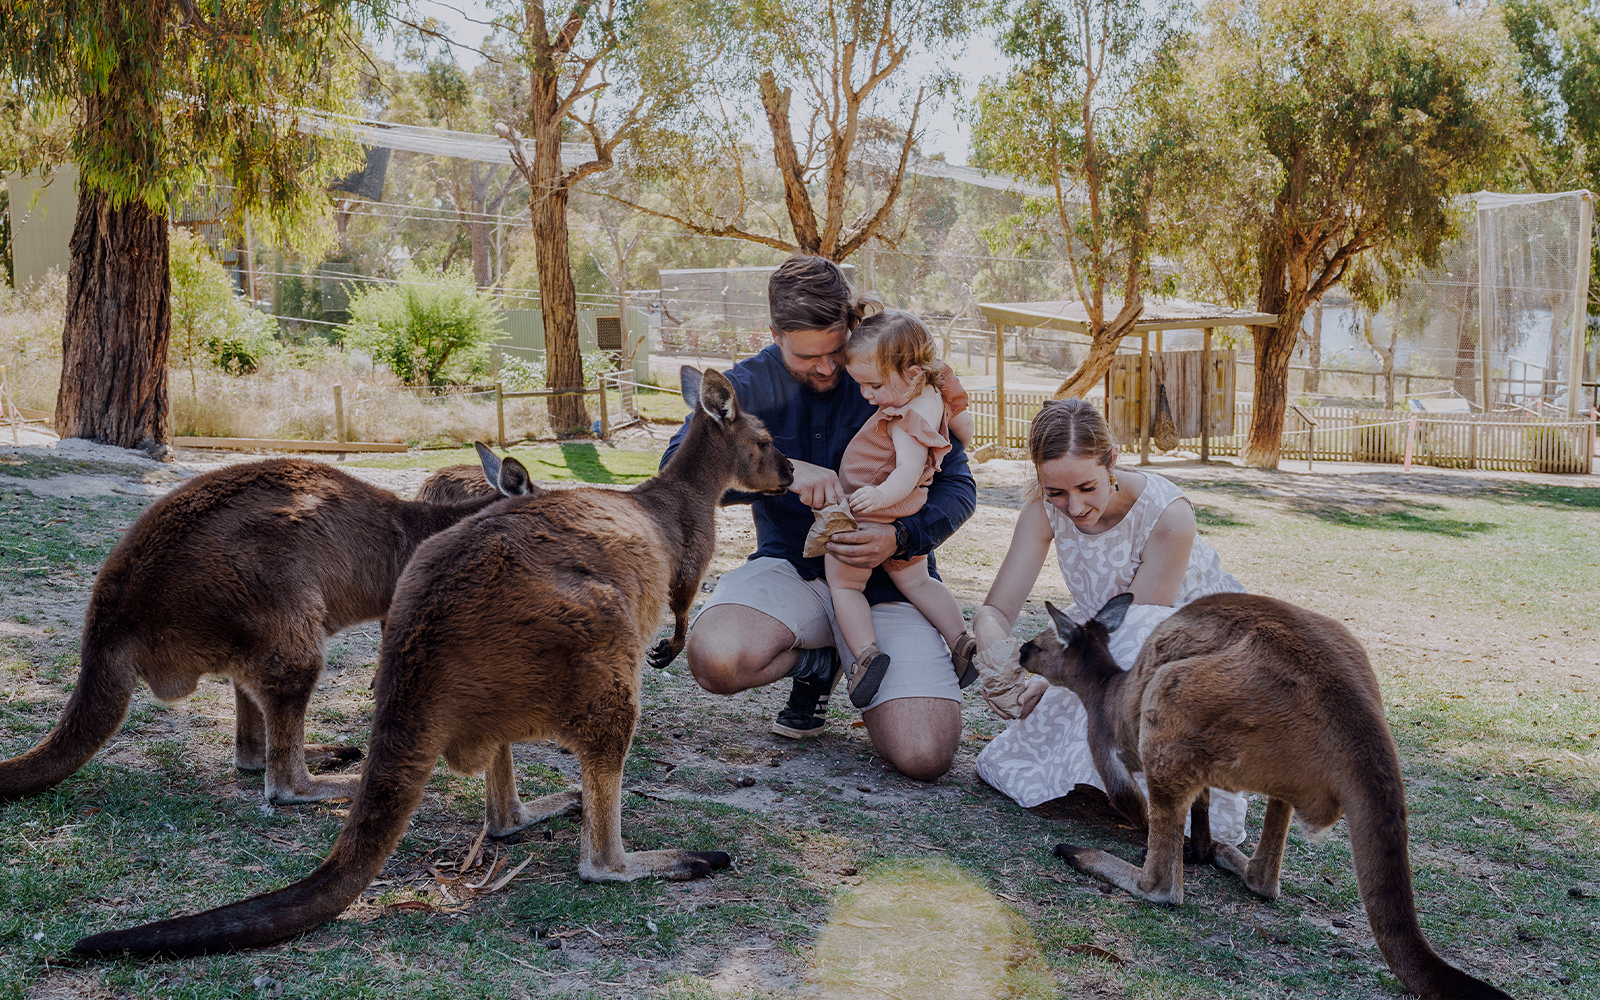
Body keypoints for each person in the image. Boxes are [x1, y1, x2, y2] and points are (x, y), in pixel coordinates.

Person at [662, 256, 976, 781]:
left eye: (836, 350)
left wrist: (898, 536)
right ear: (775, 335)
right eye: (808, 356)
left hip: (891, 582)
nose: (829, 368)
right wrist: (780, 473)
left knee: (926, 756)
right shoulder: (747, 384)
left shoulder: (890, 373)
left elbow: (960, 487)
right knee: (716, 658)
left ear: (852, 325)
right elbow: (676, 473)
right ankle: (818, 661)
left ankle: (859, 656)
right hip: (794, 569)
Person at [968, 399, 1252, 842]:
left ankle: (1159, 795)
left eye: (1086, 487)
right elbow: (995, 610)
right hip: (1103, 640)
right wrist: (994, 657)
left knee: (1126, 652)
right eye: (1055, 491)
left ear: (1112, 461)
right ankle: (1099, 785)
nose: (1074, 507)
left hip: (1185, 642)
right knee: (1013, 758)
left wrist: (1050, 678)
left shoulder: (1167, 514)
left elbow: (1141, 619)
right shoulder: (1045, 512)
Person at [825, 309, 978, 708]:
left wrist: (876, 498)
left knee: (845, 585)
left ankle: (865, 656)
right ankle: (961, 642)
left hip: (872, 509)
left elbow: (908, 470)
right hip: (908, 511)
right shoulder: (935, 394)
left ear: (910, 374)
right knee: (919, 582)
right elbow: (964, 430)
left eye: (873, 386)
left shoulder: (902, 418)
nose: (867, 396)